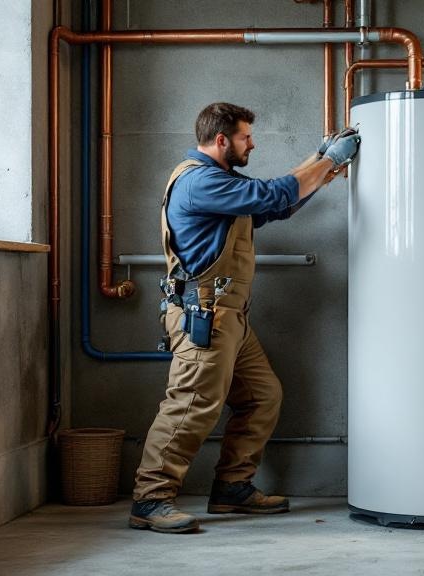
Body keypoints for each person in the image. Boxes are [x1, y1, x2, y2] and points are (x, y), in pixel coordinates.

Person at [129, 102, 361, 534]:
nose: (251, 144)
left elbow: (275, 206)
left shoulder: (221, 181)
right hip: (205, 319)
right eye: (245, 137)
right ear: (221, 140)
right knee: (190, 406)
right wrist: (327, 160)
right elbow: (272, 195)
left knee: (262, 396)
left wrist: (319, 160)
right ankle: (151, 498)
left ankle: (232, 487)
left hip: (229, 319)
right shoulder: (200, 182)